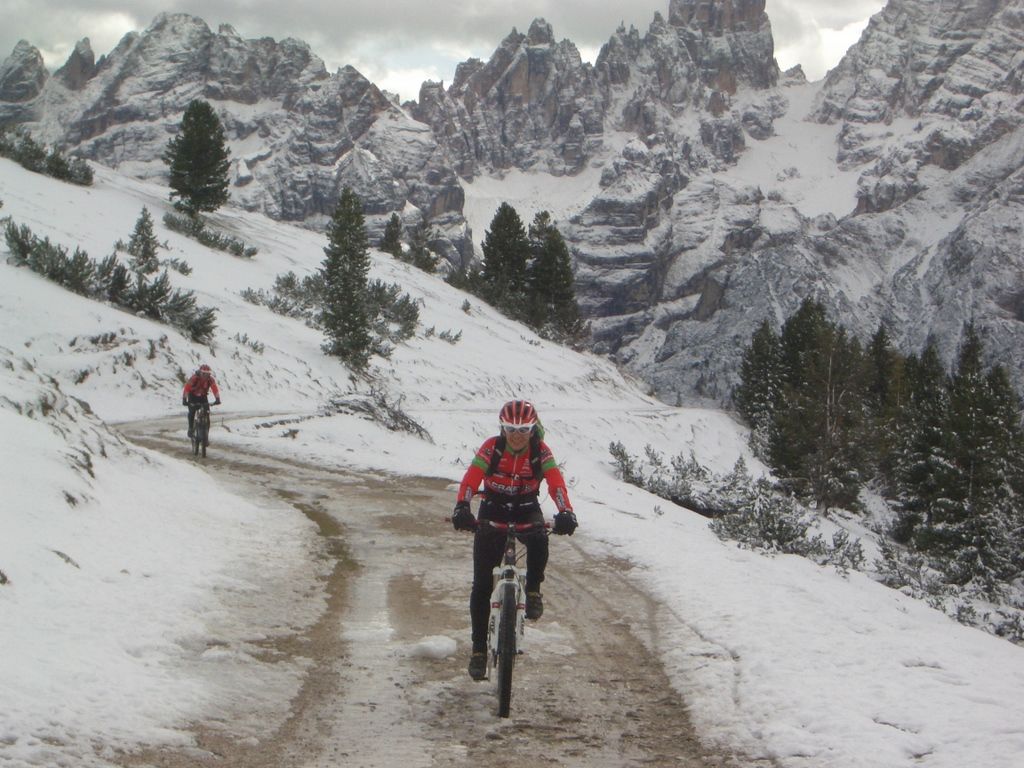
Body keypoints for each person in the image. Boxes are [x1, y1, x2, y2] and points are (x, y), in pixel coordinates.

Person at [452, 399, 578, 680]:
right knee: (482, 585)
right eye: (510, 429)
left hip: (525, 506)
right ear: (502, 428)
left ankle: (533, 590)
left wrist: (565, 511)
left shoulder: (540, 451)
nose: (517, 435)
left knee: (539, 538)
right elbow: (472, 477)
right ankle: (478, 650)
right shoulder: (492, 447)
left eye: (524, 429)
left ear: (533, 429)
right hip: (492, 507)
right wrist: (463, 505)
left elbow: (555, 482)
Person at [181, 364, 221, 437]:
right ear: (200, 372)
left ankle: (206, 436)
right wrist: (184, 399)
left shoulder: (210, 380)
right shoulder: (194, 378)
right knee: (192, 412)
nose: (205, 376)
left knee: (207, 414)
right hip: (192, 396)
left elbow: (215, 389)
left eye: (208, 374)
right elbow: (187, 388)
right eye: (204, 373)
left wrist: (217, 399)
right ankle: (190, 428)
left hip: (203, 396)